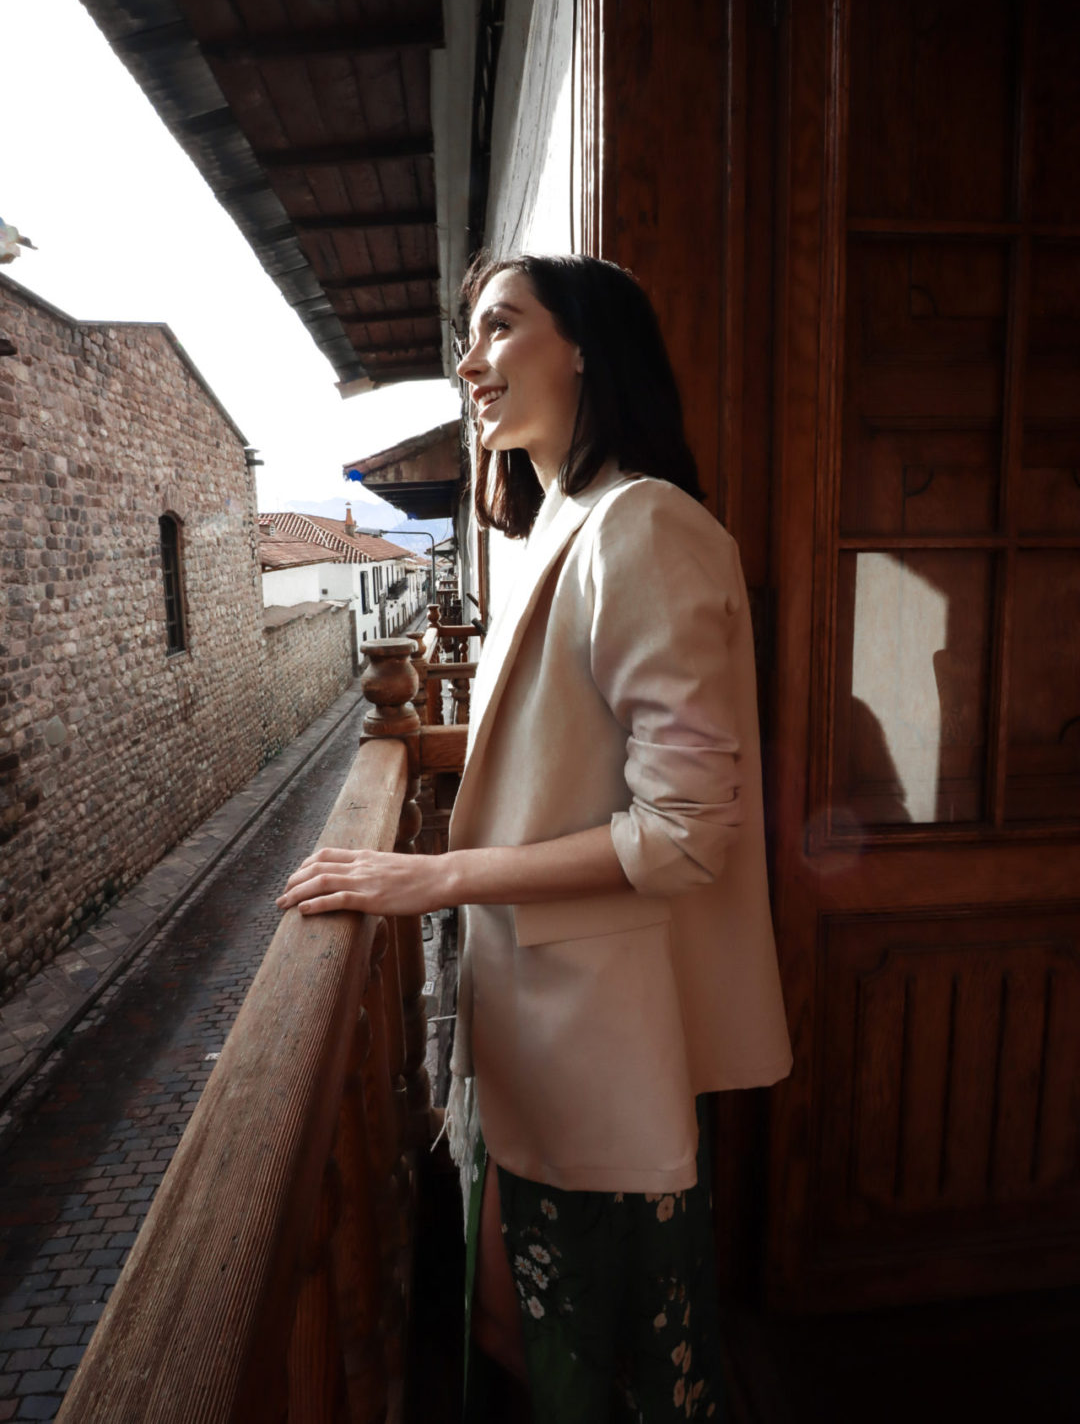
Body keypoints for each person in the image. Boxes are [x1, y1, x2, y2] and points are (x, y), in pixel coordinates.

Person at [277, 254, 792, 1422]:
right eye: (470, 336)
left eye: (500, 329)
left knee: (599, 1360)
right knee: (517, 1322)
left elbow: (686, 831)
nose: (469, 363)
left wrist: (435, 874)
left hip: (604, 1034)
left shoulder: (645, 526)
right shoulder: (560, 522)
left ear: (584, 349)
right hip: (542, 1019)